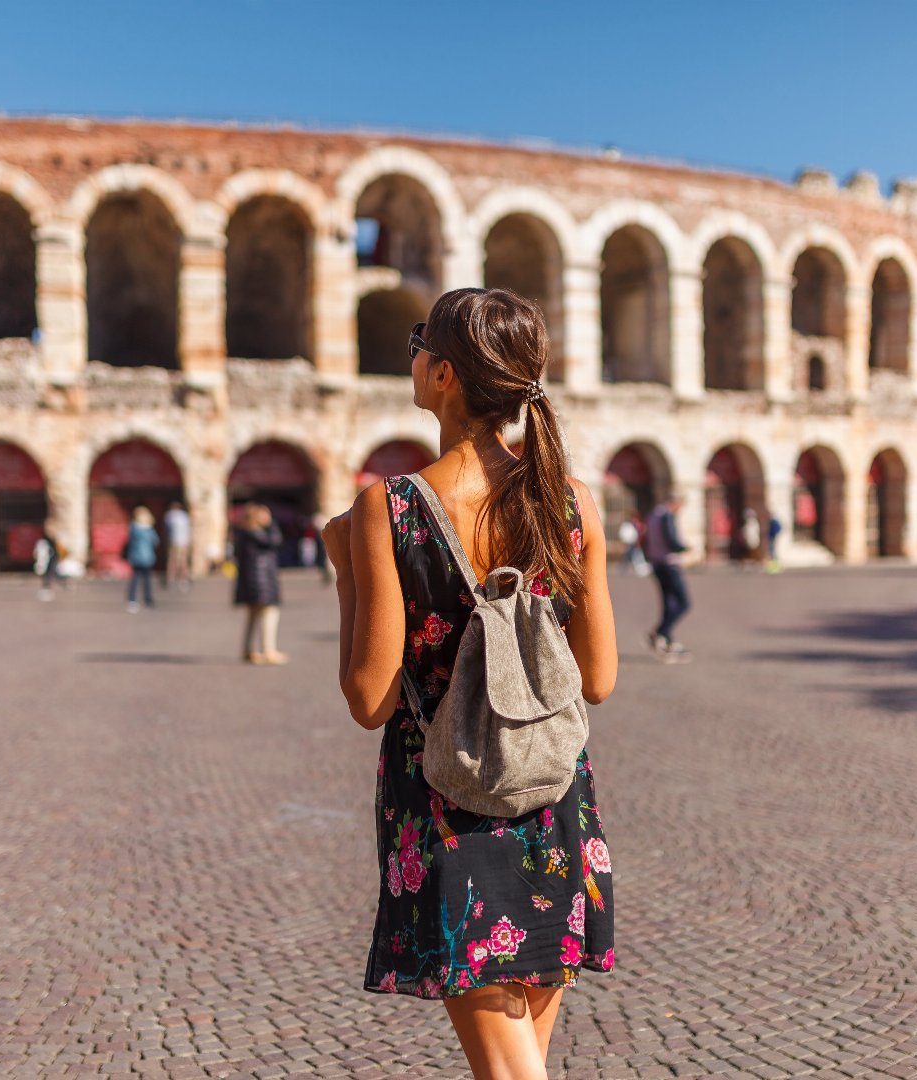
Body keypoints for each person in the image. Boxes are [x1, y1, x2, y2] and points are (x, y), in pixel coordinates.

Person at [322, 288, 618, 1080]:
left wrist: (347, 569)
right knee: (522, 1061)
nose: (412, 356)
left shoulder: (391, 507)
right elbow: (600, 678)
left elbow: (368, 699)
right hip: (550, 789)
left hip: (446, 798)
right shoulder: (571, 502)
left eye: (419, 344)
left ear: (445, 375)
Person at [232, 502, 287, 664]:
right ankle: (268, 650)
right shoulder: (254, 533)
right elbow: (276, 541)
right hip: (261, 581)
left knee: (253, 616)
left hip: (251, 580)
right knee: (270, 614)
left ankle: (248, 649)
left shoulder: (242, 533)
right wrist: (272, 525)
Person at [644, 493, 692, 662]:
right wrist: (684, 548)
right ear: (676, 503)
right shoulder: (667, 516)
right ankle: (660, 632)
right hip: (669, 563)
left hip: (657, 563)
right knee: (684, 603)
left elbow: (646, 539)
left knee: (668, 603)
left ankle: (667, 640)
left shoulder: (652, 515)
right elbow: (671, 539)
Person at [123, 506, 159, 612]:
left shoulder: (133, 528)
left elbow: (129, 541)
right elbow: (156, 541)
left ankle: (132, 599)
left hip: (136, 557)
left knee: (135, 579)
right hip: (148, 557)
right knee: (147, 580)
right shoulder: (149, 529)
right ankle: (148, 600)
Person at [163, 500, 192, 591]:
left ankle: (174, 580)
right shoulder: (183, 516)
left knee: (175, 561)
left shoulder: (170, 515)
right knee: (180, 561)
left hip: (176, 542)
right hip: (182, 542)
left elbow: (167, 529)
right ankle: (179, 580)